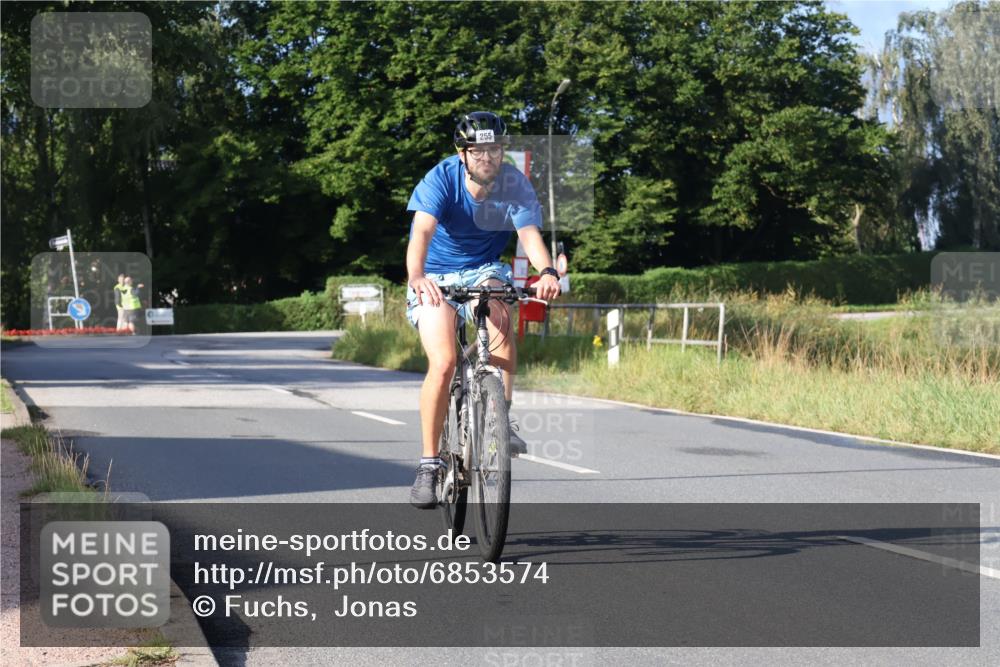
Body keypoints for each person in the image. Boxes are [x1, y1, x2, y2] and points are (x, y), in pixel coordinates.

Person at [405, 111, 561, 509]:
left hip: (485, 270)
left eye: (494, 149)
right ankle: (429, 464)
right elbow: (421, 230)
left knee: (502, 314)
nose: (487, 157)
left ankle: (499, 421)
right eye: (478, 151)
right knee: (443, 363)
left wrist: (546, 271)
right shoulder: (440, 178)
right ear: (463, 154)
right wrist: (417, 275)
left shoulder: (513, 182)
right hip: (436, 274)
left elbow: (528, 234)